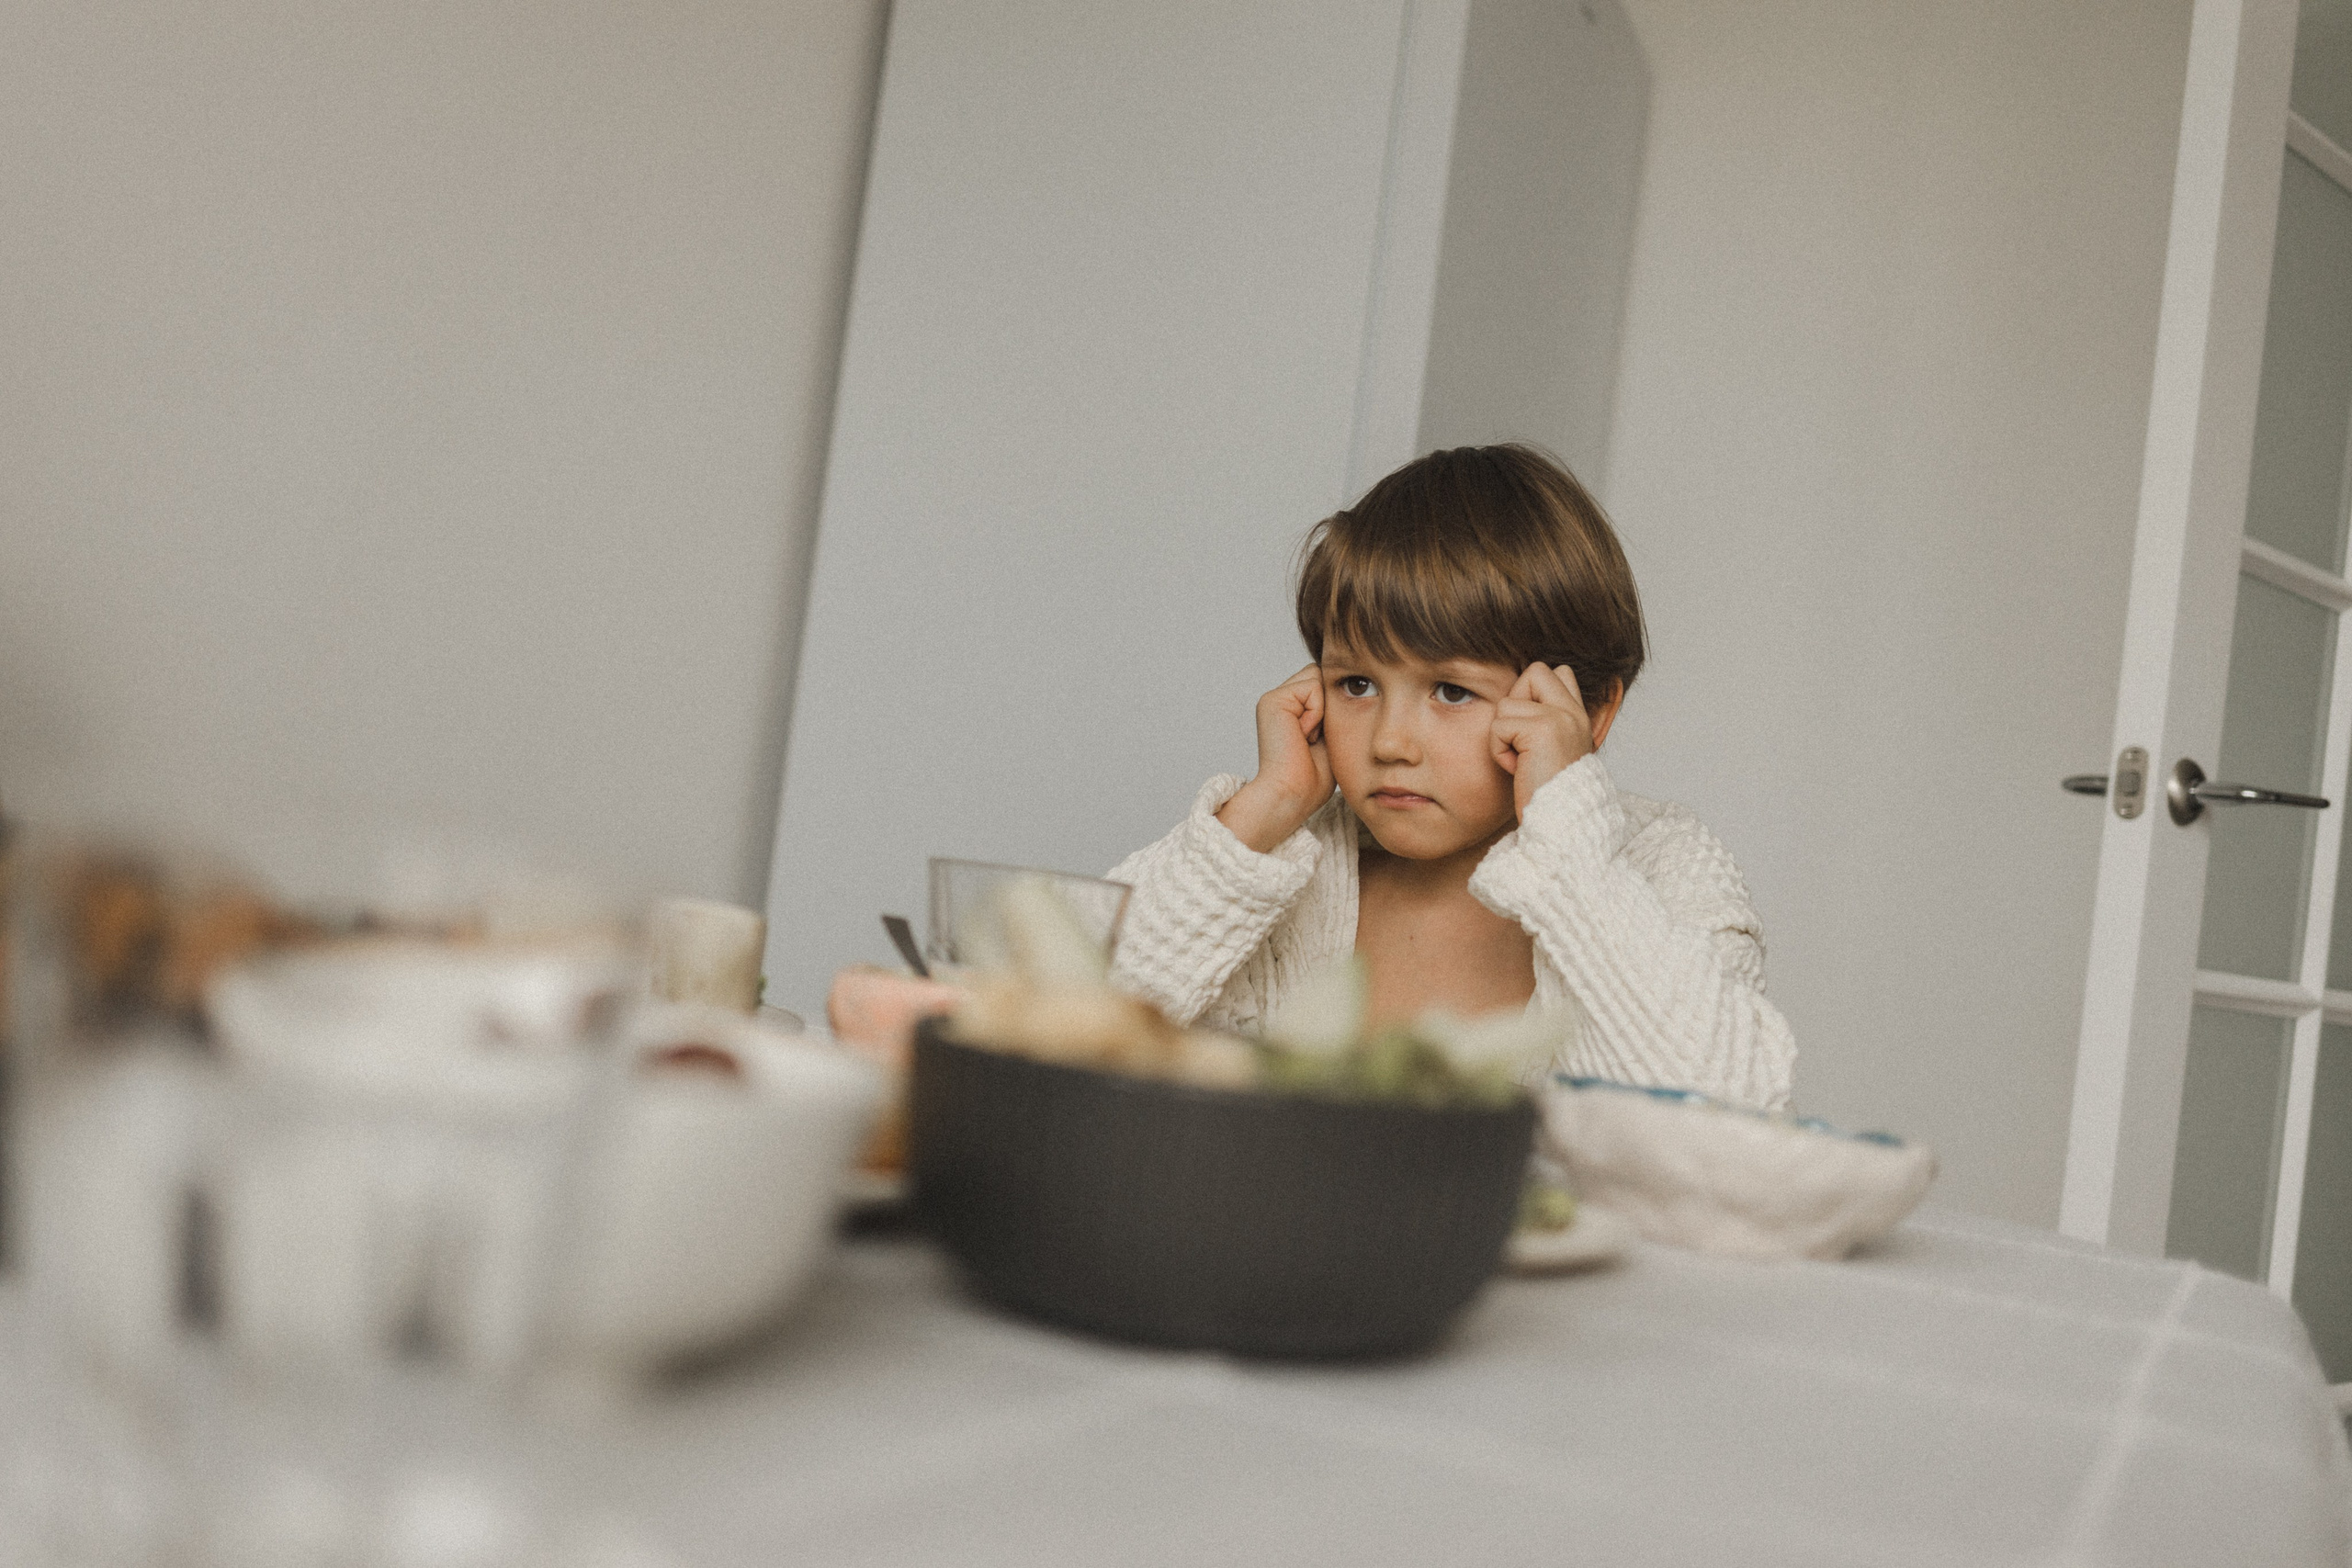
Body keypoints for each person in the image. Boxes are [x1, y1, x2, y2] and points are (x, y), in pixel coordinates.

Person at [1106, 445, 1795, 1111]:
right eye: (1356, 684)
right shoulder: (1283, 866)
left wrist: (1571, 848)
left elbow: (1727, 1113)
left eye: (1452, 692)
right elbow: (1068, 1023)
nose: (1389, 742)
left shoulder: (1663, 866)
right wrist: (1260, 816)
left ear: (1589, 710)